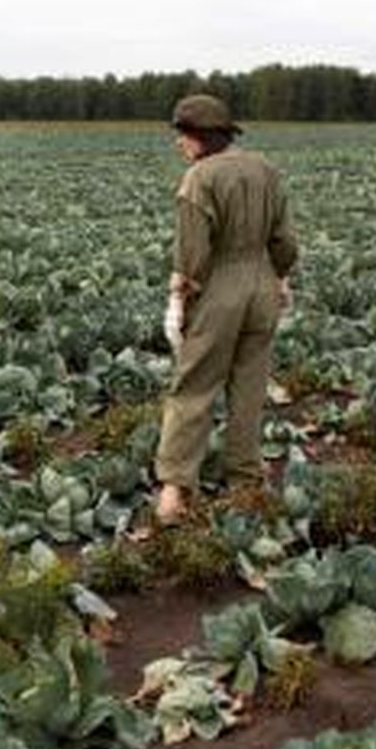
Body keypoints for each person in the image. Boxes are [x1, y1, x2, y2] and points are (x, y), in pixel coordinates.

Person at [154, 95, 298, 525]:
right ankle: (245, 485)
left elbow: (193, 256)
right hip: (262, 287)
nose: (180, 144)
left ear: (200, 138)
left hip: (219, 289)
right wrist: (280, 277)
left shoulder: (199, 179)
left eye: (183, 135)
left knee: (193, 387)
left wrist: (180, 298)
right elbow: (285, 241)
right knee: (249, 388)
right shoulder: (265, 170)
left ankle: (174, 493)